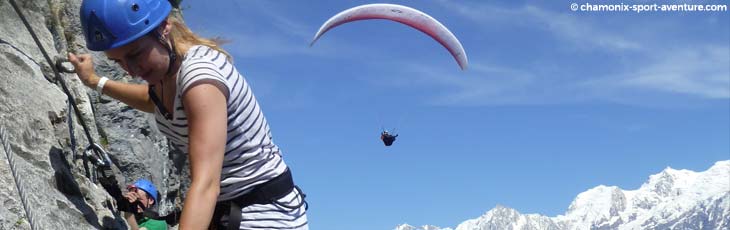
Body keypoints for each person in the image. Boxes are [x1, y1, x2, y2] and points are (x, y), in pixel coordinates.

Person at [69, 0, 308, 229]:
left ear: (164, 27)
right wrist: (95, 81)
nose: (131, 70)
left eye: (134, 54)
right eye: (118, 61)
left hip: (266, 214)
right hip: (229, 210)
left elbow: (205, 185)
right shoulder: (166, 77)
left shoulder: (199, 78)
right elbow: (152, 100)